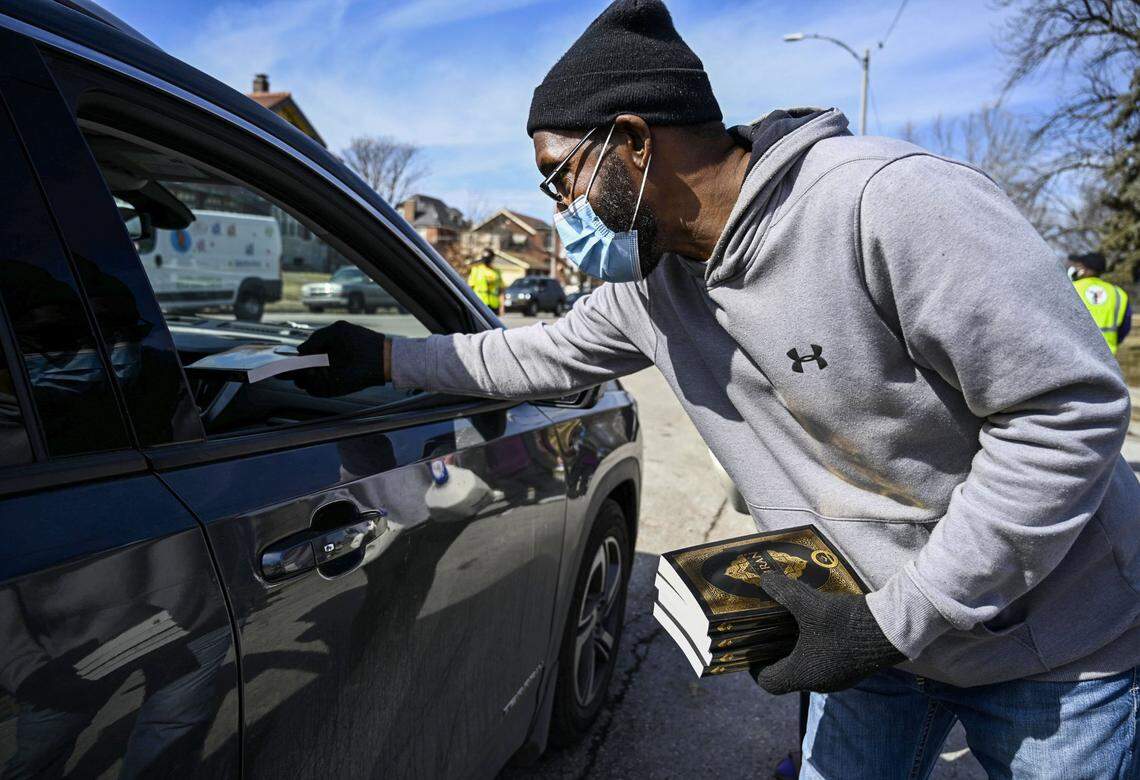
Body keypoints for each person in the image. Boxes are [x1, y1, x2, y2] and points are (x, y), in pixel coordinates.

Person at [295, 1, 1140, 776]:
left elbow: (1065, 415)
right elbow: (528, 358)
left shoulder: (884, 204)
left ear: (632, 141)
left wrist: (899, 618)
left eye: (561, 178)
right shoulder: (652, 288)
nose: (559, 211)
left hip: (1052, 647)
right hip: (868, 640)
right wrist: (383, 360)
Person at [1067, 251, 1131, 355]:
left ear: (1083, 268)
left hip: (1076, 355)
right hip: (1108, 357)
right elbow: (1125, 327)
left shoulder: (1070, 288)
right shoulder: (1118, 293)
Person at [467, 248, 504, 316]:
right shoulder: (476, 270)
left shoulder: (496, 272)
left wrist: (502, 306)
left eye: (489, 258)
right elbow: (469, 288)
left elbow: (501, 290)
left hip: (493, 305)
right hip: (479, 303)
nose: (487, 260)